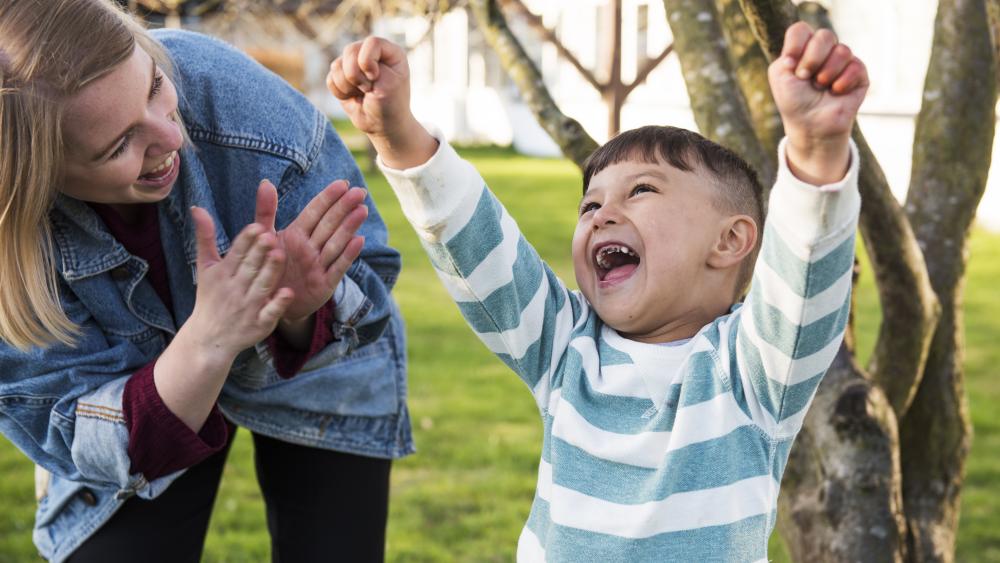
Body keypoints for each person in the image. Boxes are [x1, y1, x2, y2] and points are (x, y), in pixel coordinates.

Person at [329, 22, 867, 561]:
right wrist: (397, 133)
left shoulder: (751, 375)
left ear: (729, 241)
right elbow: (476, 245)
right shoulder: (565, 349)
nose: (604, 213)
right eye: (590, 205)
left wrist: (817, 155)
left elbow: (801, 286)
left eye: (642, 191)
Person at [0, 1, 412, 562]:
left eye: (153, 88)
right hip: (128, 388)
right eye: (118, 146)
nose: (168, 137)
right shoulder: (13, 235)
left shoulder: (243, 105)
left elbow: (369, 289)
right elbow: (68, 425)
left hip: (315, 378)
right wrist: (208, 341)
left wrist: (296, 309)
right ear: (39, 179)